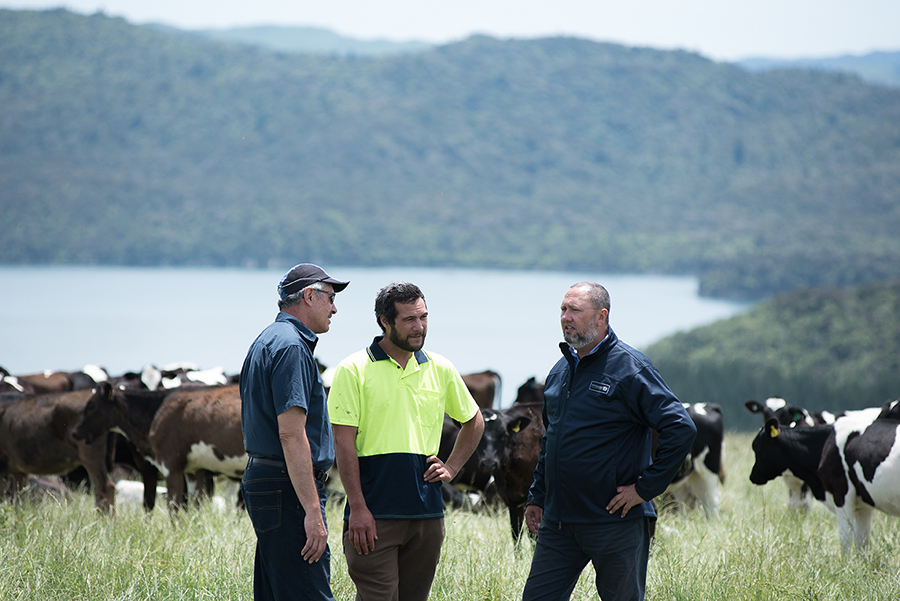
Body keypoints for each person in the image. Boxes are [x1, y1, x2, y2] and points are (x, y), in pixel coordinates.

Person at [522, 282, 696, 601]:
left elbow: (680, 427)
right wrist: (537, 496)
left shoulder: (630, 368)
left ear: (601, 317)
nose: (565, 317)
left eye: (575, 310)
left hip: (615, 522)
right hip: (559, 522)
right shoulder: (560, 372)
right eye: (563, 309)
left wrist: (644, 489)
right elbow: (552, 441)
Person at [327, 281, 485, 601]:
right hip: (373, 514)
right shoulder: (352, 369)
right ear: (385, 322)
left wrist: (451, 467)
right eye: (409, 320)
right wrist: (357, 508)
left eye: (423, 317)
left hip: (427, 515)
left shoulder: (440, 367)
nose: (420, 327)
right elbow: (344, 445)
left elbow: (473, 421)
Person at [239, 263, 349, 601]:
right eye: (330, 297)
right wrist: (314, 513)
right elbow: (291, 433)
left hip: (269, 480)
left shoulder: (268, 339)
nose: (334, 307)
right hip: (288, 487)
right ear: (309, 296)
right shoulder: (292, 347)